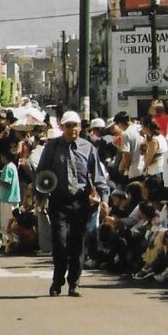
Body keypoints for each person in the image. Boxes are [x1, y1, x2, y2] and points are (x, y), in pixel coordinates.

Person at [36, 110, 110, 297]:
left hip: (80, 201)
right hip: (58, 200)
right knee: (60, 242)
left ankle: (74, 283)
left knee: (77, 244)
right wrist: (39, 196)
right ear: (62, 128)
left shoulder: (88, 148)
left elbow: (99, 175)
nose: (72, 130)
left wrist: (104, 198)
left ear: (80, 127)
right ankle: (57, 281)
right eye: (68, 126)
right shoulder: (52, 147)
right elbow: (42, 172)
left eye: (74, 126)